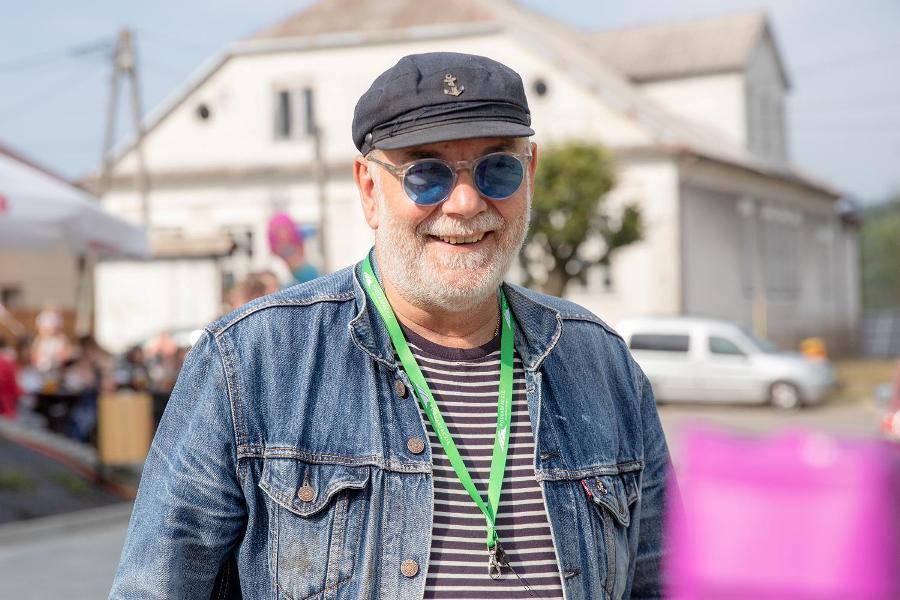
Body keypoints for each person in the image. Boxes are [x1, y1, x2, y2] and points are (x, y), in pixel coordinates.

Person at [111, 52, 672, 599]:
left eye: (497, 169)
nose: (465, 202)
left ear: (529, 174)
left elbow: (666, 581)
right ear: (369, 189)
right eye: (426, 174)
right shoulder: (250, 362)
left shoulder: (602, 365)